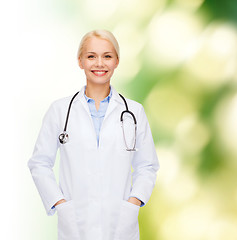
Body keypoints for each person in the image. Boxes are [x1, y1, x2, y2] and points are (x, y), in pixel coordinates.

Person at [28, 29, 159, 240]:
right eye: (91, 56)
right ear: (80, 61)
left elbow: (147, 166)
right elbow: (39, 163)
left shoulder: (134, 112)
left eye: (107, 56)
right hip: (75, 225)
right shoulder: (60, 111)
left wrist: (133, 203)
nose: (100, 63)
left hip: (120, 224)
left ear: (117, 61)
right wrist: (60, 204)